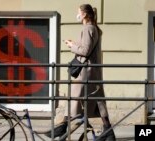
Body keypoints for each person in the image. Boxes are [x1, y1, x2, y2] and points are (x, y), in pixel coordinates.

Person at [44, 4, 116, 141]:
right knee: (98, 99)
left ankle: (63, 127)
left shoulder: (88, 28)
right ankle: (108, 131)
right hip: (92, 70)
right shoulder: (93, 28)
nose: (77, 14)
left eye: (78, 12)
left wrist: (72, 46)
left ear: (84, 14)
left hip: (86, 71)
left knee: (74, 97)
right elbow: (86, 48)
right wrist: (75, 44)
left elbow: (85, 51)